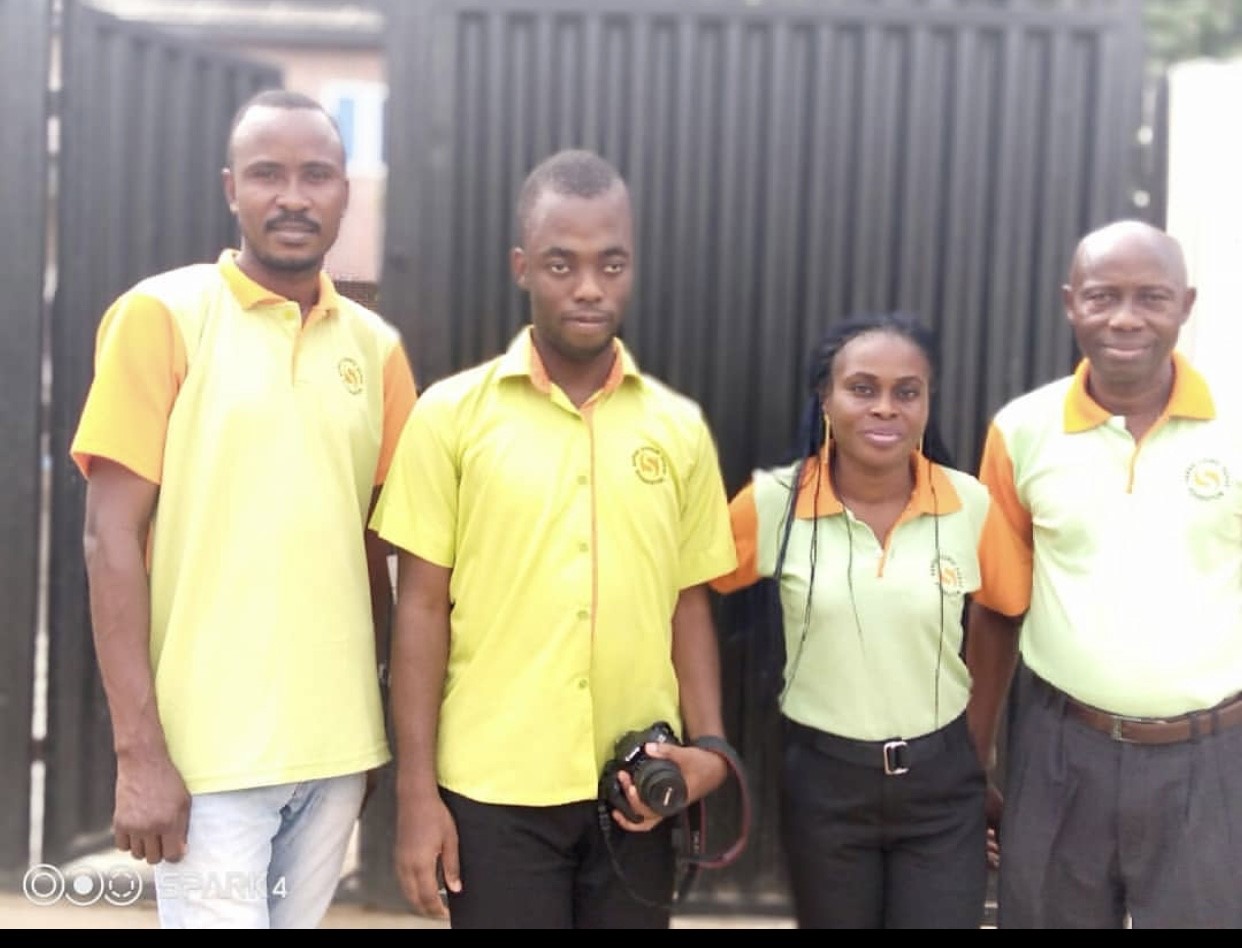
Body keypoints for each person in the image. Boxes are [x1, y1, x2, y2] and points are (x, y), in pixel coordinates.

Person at [69, 89, 418, 928]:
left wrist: (372, 731)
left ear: (344, 192)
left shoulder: (377, 350)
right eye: (268, 174)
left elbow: (380, 552)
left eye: (316, 175)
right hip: (207, 763)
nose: (293, 196)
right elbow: (108, 538)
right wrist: (139, 752)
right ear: (232, 188)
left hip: (336, 756)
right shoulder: (162, 315)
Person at [369, 148, 738, 929]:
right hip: (492, 794)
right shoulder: (451, 418)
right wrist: (416, 792)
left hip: (636, 790)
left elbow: (688, 602)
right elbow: (421, 610)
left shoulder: (677, 430)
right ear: (522, 267)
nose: (589, 287)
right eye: (562, 264)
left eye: (611, 264)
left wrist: (709, 750)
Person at [965, 219, 1242, 928]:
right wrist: (974, 759)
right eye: (1102, 296)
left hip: (1212, 760)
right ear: (1071, 303)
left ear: (1186, 304)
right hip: (1061, 753)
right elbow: (996, 607)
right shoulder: (1022, 430)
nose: (1125, 318)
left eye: (1151, 297)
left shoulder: (1234, 426)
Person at [709, 312, 1025, 928]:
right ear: (825, 398)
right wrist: (703, 733)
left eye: (907, 392)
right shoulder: (777, 502)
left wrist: (974, 746)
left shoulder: (969, 504)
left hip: (942, 785)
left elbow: (1004, 611)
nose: (885, 407)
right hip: (824, 783)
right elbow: (688, 588)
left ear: (927, 403)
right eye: (862, 388)